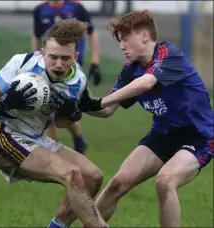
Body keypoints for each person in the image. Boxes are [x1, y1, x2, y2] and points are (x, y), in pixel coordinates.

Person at [78, 10, 213, 227]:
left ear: (144, 36)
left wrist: (100, 101)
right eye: (119, 40)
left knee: (165, 181)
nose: (121, 46)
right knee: (117, 184)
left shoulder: (170, 54)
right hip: (162, 135)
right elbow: (106, 110)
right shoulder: (130, 71)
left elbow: (146, 83)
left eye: (125, 38)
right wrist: (76, 103)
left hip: (198, 137)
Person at [0, 18, 108, 228]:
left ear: (75, 57)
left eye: (65, 58)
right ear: (43, 53)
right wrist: (4, 102)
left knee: (92, 176)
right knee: (73, 174)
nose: (58, 64)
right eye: (53, 57)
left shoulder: (77, 81)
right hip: (5, 135)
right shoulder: (23, 63)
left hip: (37, 138)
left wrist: (72, 114)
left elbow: (60, 123)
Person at [31, 0, 102, 154]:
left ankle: (76, 140)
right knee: (46, 107)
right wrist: (35, 61)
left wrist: (95, 60)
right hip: (48, 67)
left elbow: (92, 32)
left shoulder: (76, 8)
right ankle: (58, 150)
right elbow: (36, 37)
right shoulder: (39, 10)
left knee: (64, 107)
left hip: (72, 67)